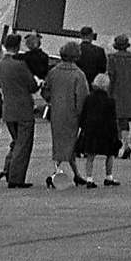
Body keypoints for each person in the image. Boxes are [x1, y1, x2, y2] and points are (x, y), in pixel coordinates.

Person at [42, 41, 90, 187]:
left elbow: (45, 91)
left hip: (56, 112)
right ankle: (55, 172)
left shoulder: (53, 72)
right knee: (69, 143)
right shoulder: (78, 75)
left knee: (61, 142)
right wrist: (83, 114)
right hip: (72, 114)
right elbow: (82, 97)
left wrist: (52, 100)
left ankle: (76, 174)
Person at [0, 35, 38, 188]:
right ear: (17, 46)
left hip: (8, 109)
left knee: (15, 142)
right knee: (23, 145)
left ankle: (8, 169)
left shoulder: (0, 64)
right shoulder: (19, 65)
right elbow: (32, 86)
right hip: (23, 109)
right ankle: (16, 177)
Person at [76, 71, 122, 187]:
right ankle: (109, 176)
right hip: (106, 131)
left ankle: (89, 178)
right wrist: (116, 134)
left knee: (90, 156)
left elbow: (84, 114)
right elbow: (112, 119)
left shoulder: (89, 98)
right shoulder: (110, 101)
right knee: (110, 154)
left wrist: (83, 126)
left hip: (91, 130)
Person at [107, 35, 131, 159]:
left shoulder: (112, 58)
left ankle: (122, 145)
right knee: (125, 120)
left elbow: (111, 76)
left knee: (118, 120)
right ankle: (125, 144)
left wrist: (108, 93)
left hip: (117, 91)